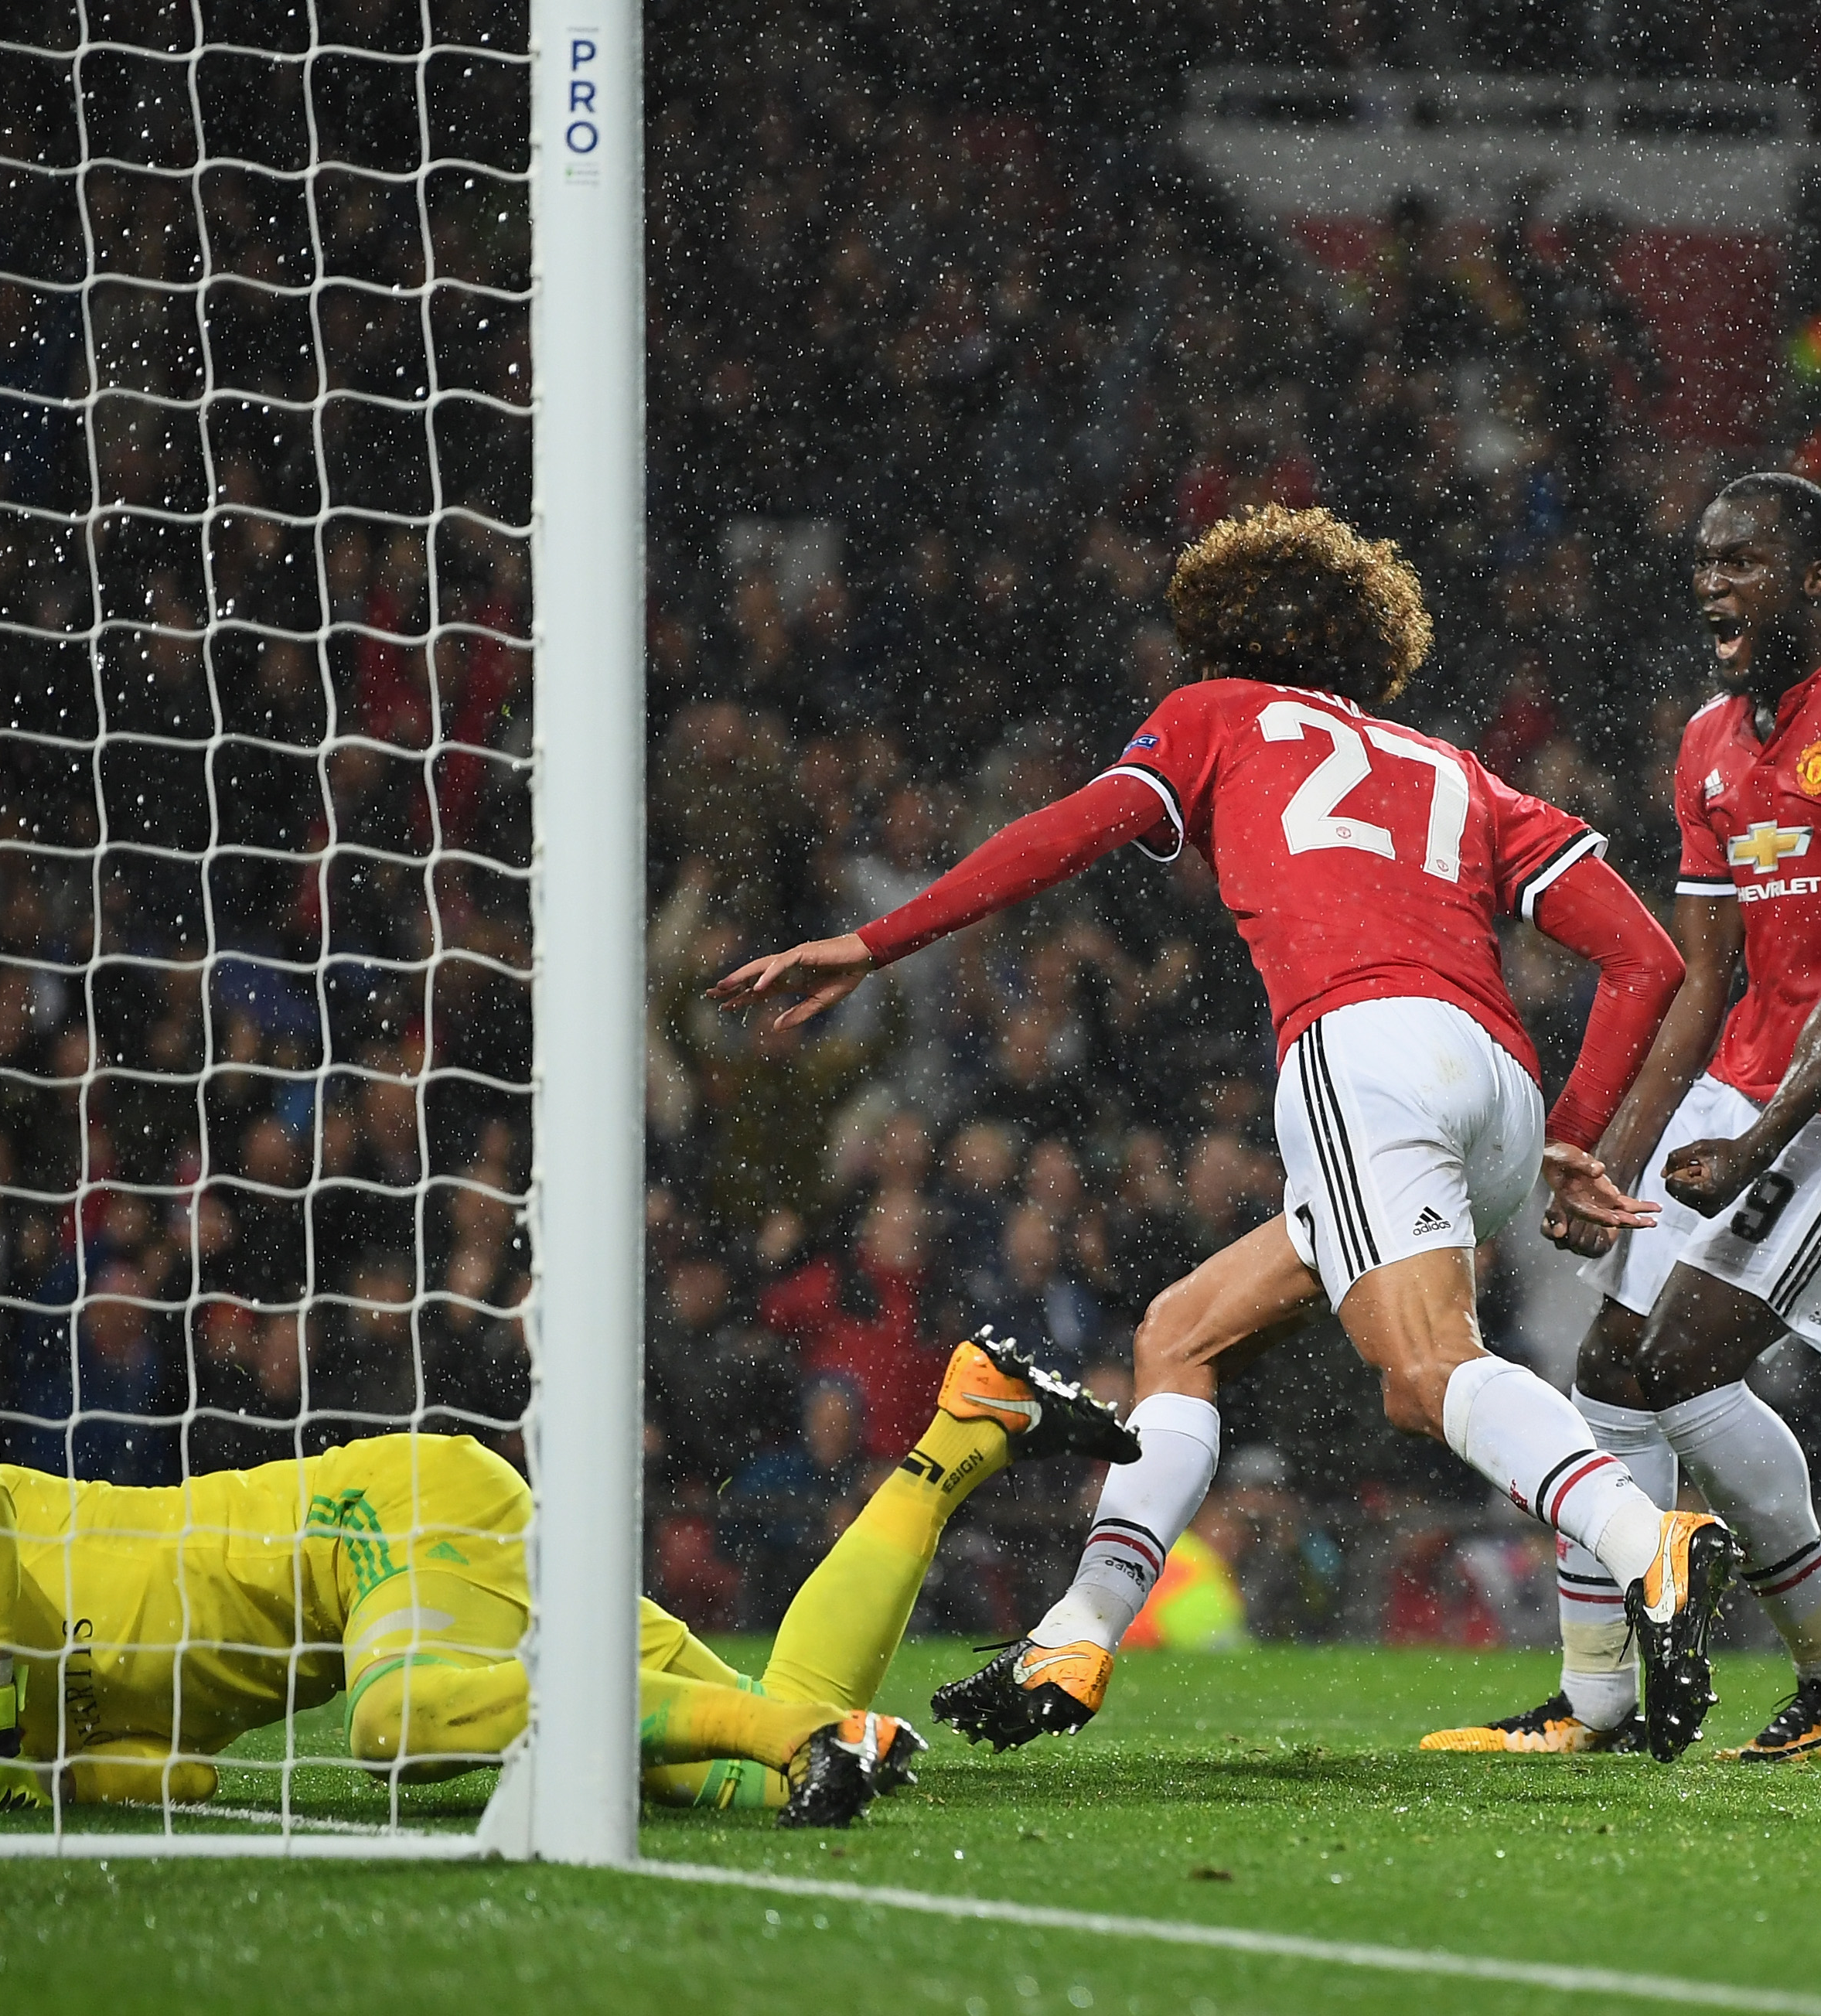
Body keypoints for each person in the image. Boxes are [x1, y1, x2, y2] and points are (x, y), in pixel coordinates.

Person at [716, 504, 1736, 1762]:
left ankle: (1653, 1544)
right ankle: (1079, 1630)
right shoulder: (1455, 770)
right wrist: (1575, 1138)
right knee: (1181, 1331)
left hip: (1363, 1057)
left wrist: (876, 941)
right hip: (1497, 1084)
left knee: (1420, 1372)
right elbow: (1644, 959)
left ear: (1223, 638)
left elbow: (1065, 833)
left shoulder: (1217, 714)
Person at [0, 1332, 1133, 1829]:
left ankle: (789, 1736)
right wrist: (31, 1778)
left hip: (375, 1520)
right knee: (758, 1742)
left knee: (397, 1723)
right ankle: (964, 1424)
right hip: (421, 1563)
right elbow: (183, 1775)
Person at [1424, 472, 1821, 1762]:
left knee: (1681, 1365)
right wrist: (1603, 1157)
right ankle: (1599, 1700)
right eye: (1703, 562)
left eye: (1741, 561)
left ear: (1814, 576)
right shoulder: (1709, 745)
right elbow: (1699, 980)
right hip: (1750, 1074)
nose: (1711, 582)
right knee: (1609, 1373)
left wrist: (1757, 1140)